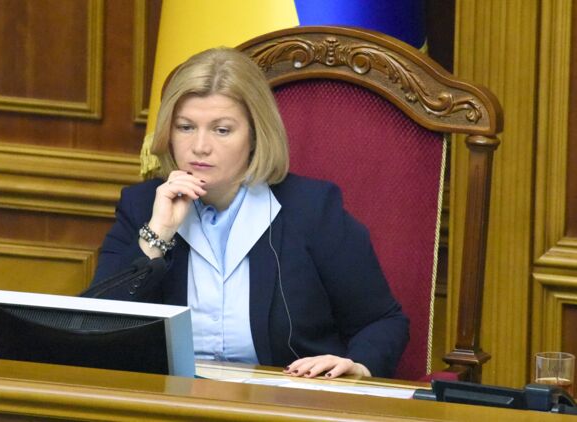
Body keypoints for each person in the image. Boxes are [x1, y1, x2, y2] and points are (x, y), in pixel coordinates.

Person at [89, 47, 409, 379]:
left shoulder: (312, 209)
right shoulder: (143, 205)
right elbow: (94, 326)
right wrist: (155, 237)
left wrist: (357, 365)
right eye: (185, 127)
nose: (200, 147)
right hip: (172, 397)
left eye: (222, 130)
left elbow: (383, 321)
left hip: (282, 398)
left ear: (255, 135)